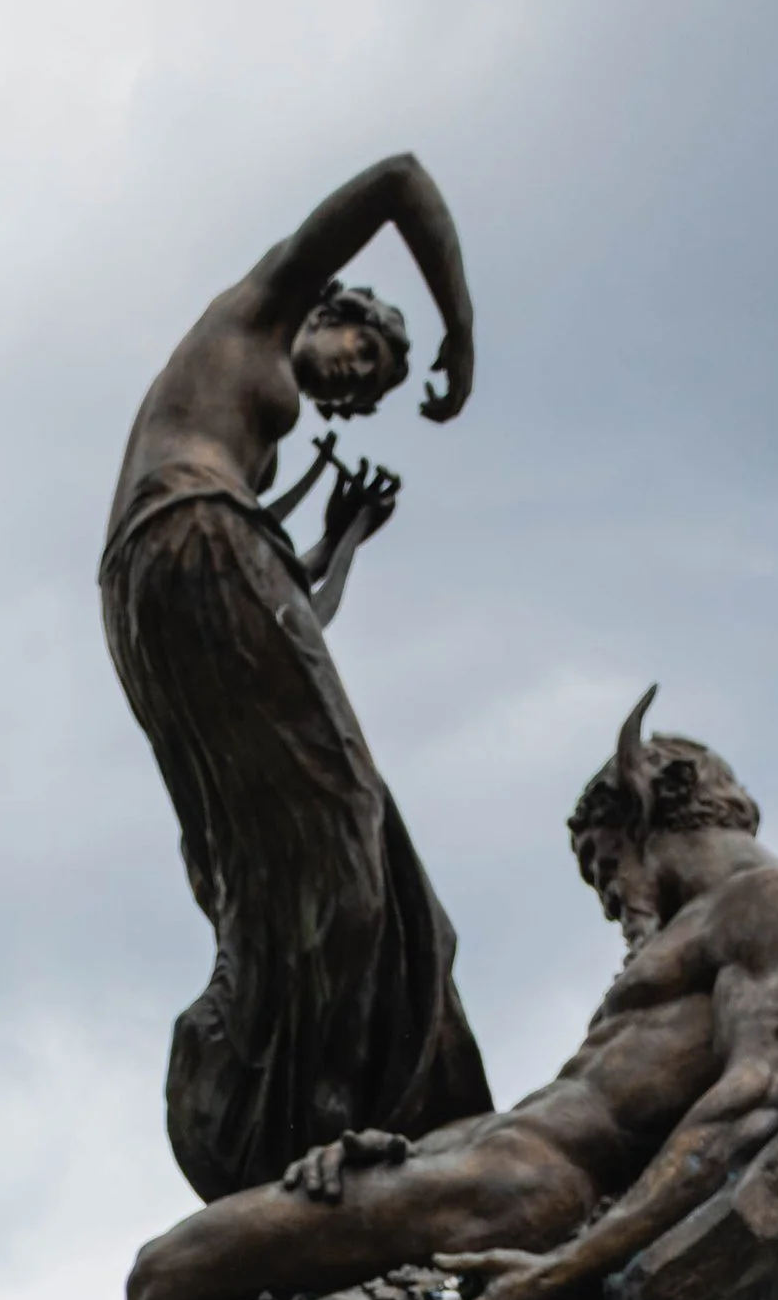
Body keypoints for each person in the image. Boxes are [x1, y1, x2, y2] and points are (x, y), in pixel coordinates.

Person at [89, 696, 778, 1300]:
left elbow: (746, 1108)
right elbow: (563, 1114)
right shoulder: (709, 929)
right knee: (189, 1284)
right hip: (490, 1169)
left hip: (521, 1198)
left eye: (604, 868)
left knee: (166, 1274)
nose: (609, 900)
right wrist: (405, 1151)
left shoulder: (776, 902)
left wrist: (562, 1270)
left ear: (640, 808)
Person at [103, 153, 492, 1224]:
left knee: (286, 869)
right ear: (325, 308)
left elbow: (292, 626)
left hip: (171, 581)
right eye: (361, 349)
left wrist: (338, 541)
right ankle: (323, 1129)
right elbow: (401, 181)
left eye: (368, 385)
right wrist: (459, 327)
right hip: (191, 546)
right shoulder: (256, 312)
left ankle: (289, 1106)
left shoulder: (249, 471)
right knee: (348, 822)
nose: (355, 379)